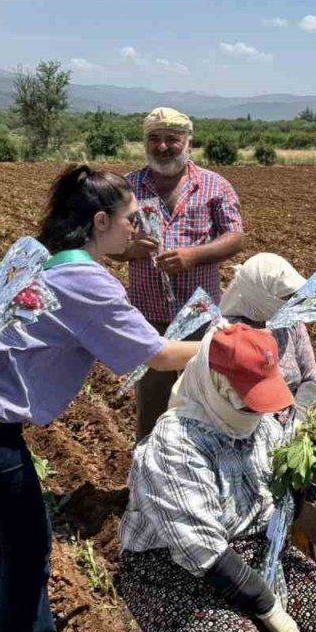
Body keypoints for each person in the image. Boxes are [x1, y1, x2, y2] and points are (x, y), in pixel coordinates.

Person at [0, 165, 202, 632]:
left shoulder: (48, 260)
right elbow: (158, 355)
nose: (137, 229)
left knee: (3, 528)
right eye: (131, 219)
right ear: (101, 222)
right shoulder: (88, 281)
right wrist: (230, 345)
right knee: (30, 543)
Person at [118, 324, 316, 632]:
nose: (257, 413)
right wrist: (270, 609)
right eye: (249, 401)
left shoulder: (265, 429)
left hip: (255, 552)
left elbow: (279, 510)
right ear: (217, 384)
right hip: (172, 567)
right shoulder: (174, 446)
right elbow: (201, 549)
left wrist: (295, 490)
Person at [114, 107, 245, 441]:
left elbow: (235, 237)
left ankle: (202, 472)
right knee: (153, 404)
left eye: (172, 139)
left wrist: (193, 256)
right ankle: (149, 476)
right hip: (149, 321)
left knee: (205, 402)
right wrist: (129, 251)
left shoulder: (215, 186)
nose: (162, 147)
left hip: (200, 318)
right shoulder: (128, 187)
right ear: (144, 142)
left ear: (188, 141)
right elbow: (106, 244)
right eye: (154, 139)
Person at [221, 252, 316, 407]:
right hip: (244, 421)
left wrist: (300, 411)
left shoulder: (291, 324)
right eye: (285, 297)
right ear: (259, 295)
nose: (290, 304)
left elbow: (310, 378)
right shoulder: (225, 333)